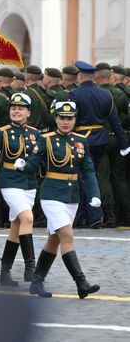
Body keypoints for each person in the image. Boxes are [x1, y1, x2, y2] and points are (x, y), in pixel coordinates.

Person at [15, 101, 101, 299]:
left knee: (53, 240)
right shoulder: (46, 140)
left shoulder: (82, 141)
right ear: (56, 119)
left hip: (72, 197)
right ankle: (81, 283)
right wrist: (22, 165)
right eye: (62, 118)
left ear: (75, 119)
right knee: (67, 235)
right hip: (52, 195)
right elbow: (33, 163)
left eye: (69, 118)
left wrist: (95, 193)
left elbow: (88, 171)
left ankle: (36, 282)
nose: (65, 122)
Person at [0, 93, 41, 286]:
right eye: (13, 107)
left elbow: (40, 159)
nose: (16, 110)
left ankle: (5, 272)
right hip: (10, 183)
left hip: (29, 185)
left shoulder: (35, 134)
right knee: (28, 218)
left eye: (21, 108)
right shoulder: (1, 133)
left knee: (16, 227)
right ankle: (31, 267)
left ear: (28, 112)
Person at [69, 61, 130, 228]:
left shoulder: (74, 94)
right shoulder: (105, 95)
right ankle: (86, 215)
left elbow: (69, 120)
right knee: (90, 177)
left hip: (81, 140)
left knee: (84, 178)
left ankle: (90, 216)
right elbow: (115, 122)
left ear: (80, 76)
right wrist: (124, 145)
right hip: (101, 140)